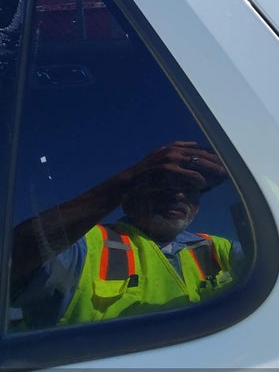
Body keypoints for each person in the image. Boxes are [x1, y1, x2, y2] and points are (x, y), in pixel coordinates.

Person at [10, 141, 237, 329]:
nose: (179, 195)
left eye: (191, 189)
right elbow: (14, 260)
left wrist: (240, 176)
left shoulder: (218, 248)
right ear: (128, 202)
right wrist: (129, 178)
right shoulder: (86, 245)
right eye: (162, 186)